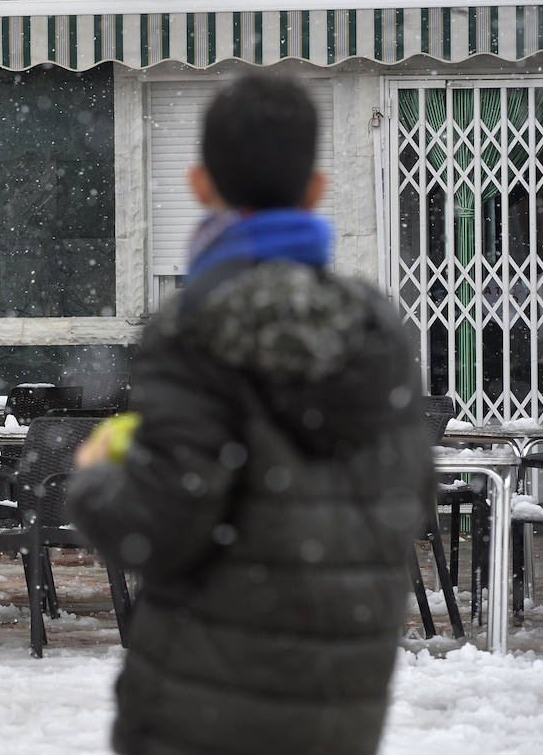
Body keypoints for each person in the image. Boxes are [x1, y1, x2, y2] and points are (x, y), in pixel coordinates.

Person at [66, 72, 434, 755]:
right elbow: (407, 500)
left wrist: (95, 476)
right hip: (339, 710)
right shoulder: (379, 333)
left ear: (201, 185)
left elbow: (162, 523)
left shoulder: (194, 328)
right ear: (316, 190)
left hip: (203, 706)